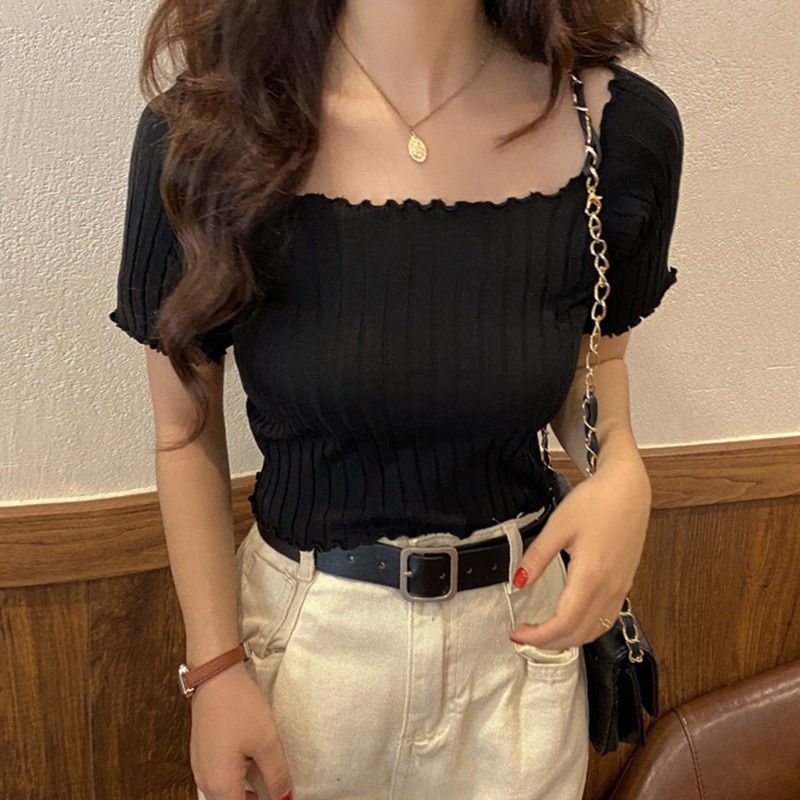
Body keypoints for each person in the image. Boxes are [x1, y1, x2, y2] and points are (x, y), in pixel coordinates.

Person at [108, 1, 683, 798]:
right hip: (303, 663)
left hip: (519, 654)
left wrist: (621, 467)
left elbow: (596, 362)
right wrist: (214, 670)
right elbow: (183, 433)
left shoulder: (617, 133)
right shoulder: (203, 135)